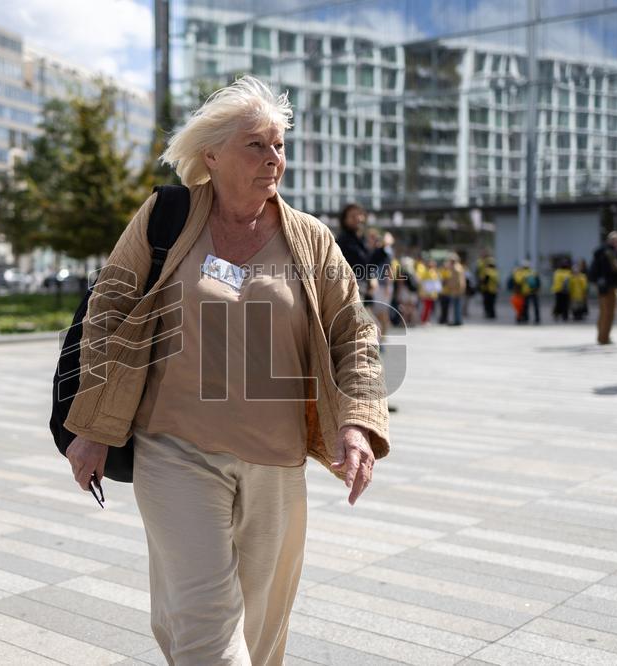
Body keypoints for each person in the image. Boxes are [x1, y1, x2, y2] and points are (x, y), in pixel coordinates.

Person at [62, 76, 390, 665]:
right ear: (210, 155)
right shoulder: (166, 218)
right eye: (256, 145)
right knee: (210, 629)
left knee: (259, 635)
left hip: (277, 462)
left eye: (280, 145)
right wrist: (91, 425)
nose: (273, 159)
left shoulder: (310, 241)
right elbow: (107, 307)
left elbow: (355, 334)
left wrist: (357, 424)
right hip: (174, 449)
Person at [590, 231, 617, 344]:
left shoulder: (601, 251)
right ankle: (604, 338)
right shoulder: (609, 252)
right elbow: (615, 268)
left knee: (603, 312)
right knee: (609, 313)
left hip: (601, 286)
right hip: (610, 286)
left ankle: (601, 336)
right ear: (614, 242)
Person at [443, 253, 466, 326]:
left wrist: (450, 285)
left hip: (456, 290)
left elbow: (457, 281)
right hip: (457, 289)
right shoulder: (458, 267)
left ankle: (457, 320)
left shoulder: (456, 268)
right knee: (457, 305)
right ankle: (457, 320)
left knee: (456, 306)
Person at [418, 259, 441, 324]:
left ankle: (426, 319)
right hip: (427, 293)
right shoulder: (427, 272)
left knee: (429, 308)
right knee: (426, 307)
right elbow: (424, 283)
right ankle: (424, 320)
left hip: (431, 293)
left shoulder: (433, 272)